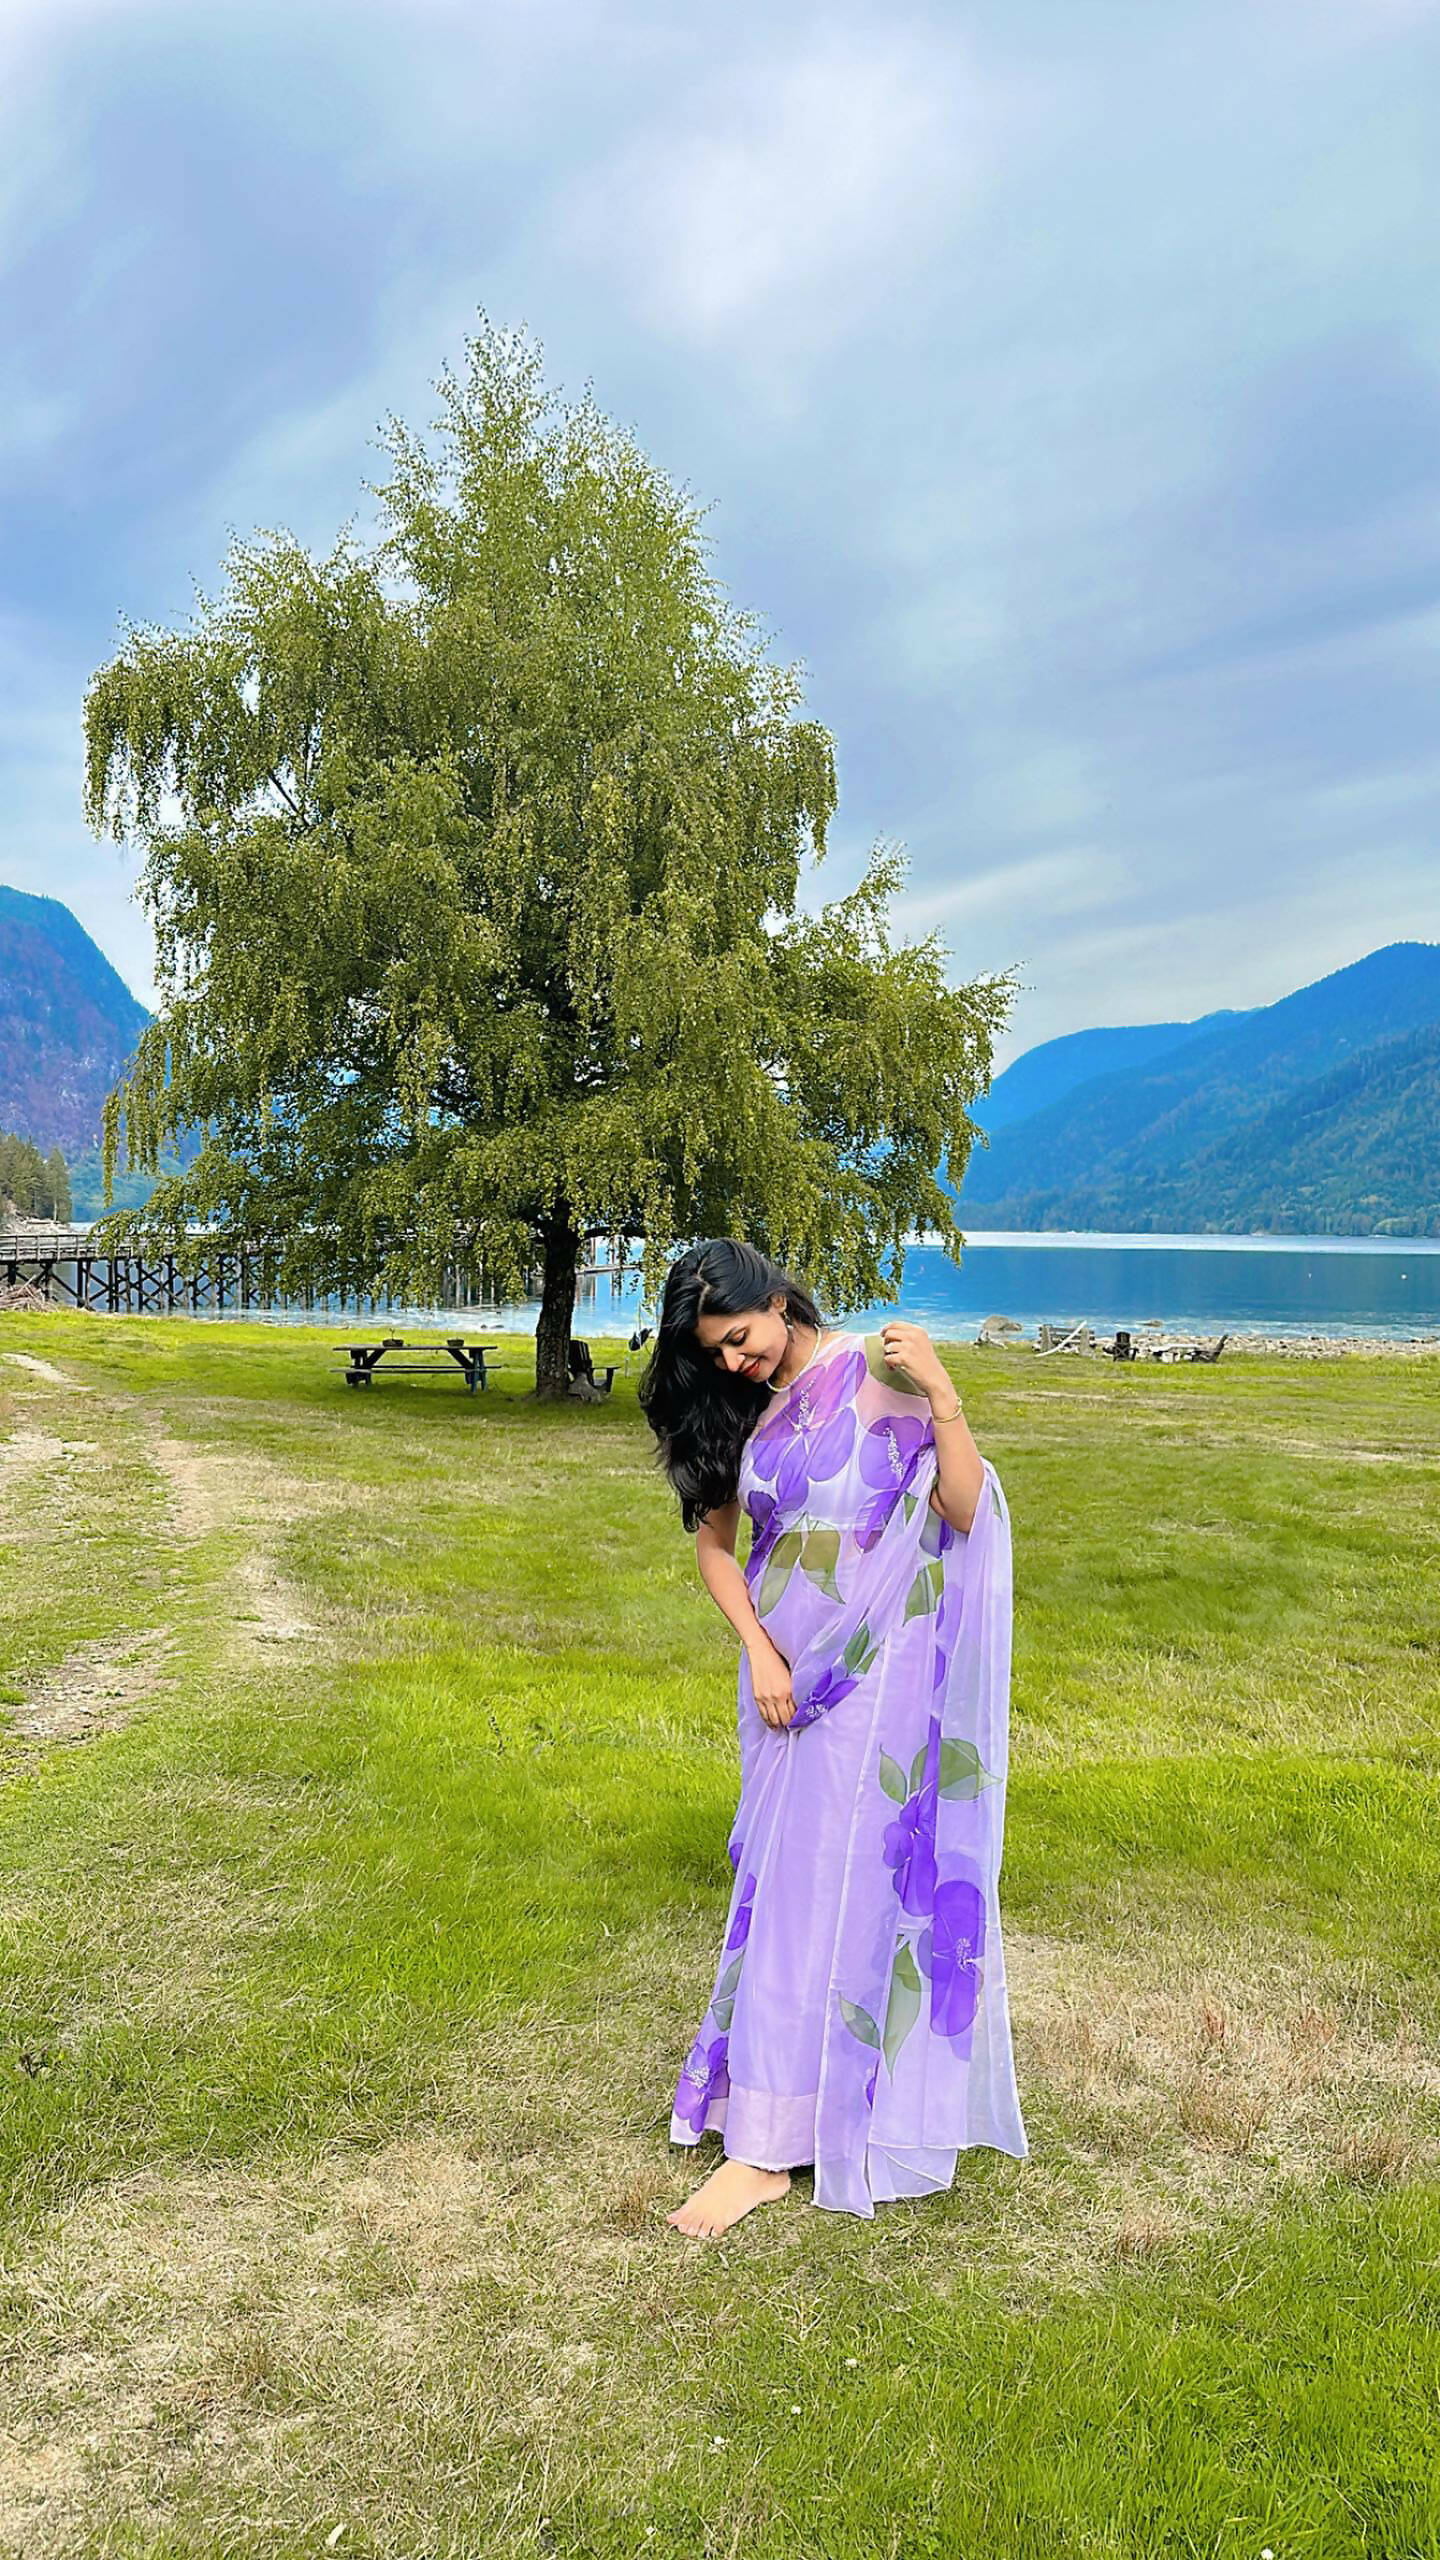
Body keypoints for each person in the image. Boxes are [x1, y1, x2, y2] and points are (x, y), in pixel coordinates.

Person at [637, 1238, 1029, 2238]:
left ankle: (773, 2144)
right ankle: (774, 2118)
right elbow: (717, 1547)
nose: (734, 1361)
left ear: (774, 1299)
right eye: (717, 1351)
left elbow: (964, 1506)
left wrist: (942, 1392)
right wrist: (760, 1652)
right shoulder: (739, 1407)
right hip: (778, 1683)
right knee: (779, 1892)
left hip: (870, 1681)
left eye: (738, 1338)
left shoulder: (873, 1369)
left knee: (839, 1891)